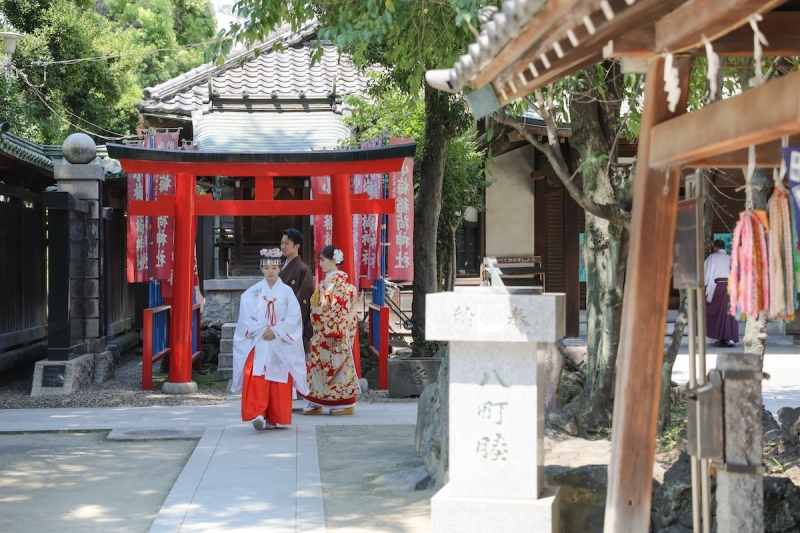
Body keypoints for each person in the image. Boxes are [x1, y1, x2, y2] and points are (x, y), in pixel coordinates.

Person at [231, 248, 309, 430]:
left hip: (279, 342)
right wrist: (263, 330)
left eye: (274, 267)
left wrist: (277, 330)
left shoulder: (288, 292)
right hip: (259, 341)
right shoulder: (251, 293)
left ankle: (275, 416)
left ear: (280, 268)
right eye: (267, 268)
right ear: (261, 269)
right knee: (258, 376)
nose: (271, 271)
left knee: (278, 379)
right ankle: (258, 414)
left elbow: (294, 318)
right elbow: (245, 319)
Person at [302, 245, 359, 416]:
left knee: (336, 366)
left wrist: (333, 332)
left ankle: (341, 403)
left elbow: (339, 309)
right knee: (318, 366)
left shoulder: (340, 285)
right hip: (321, 333)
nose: (320, 263)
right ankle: (316, 399)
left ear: (334, 260)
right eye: (319, 260)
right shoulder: (328, 282)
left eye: (323, 260)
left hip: (333, 334)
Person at [278, 229, 315, 355]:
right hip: (277, 320)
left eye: (287, 243)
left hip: (293, 322)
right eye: (282, 243)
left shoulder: (303, 269)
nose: (283, 246)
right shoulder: (280, 267)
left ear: (297, 246)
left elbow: (305, 300)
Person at [704, 239, 739, 348]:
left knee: (714, 310)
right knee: (730, 312)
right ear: (724, 248)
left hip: (718, 286)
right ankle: (731, 339)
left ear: (715, 248)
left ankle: (721, 336)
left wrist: (705, 284)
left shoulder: (712, 257)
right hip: (731, 287)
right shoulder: (730, 258)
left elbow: (706, 274)